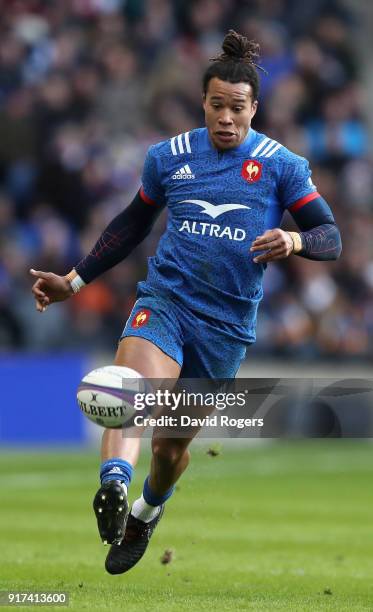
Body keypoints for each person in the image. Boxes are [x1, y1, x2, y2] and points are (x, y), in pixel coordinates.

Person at [30, 30, 342, 575]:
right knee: (134, 393)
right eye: (216, 105)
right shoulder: (169, 157)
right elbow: (131, 224)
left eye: (237, 108)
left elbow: (330, 236)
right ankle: (114, 487)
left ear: (254, 109)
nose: (225, 117)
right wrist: (74, 281)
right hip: (166, 300)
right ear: (203, 102)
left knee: (170, 451)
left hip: (225, 330)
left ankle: (145, 514)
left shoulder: (280, 165)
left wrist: (293, 240)